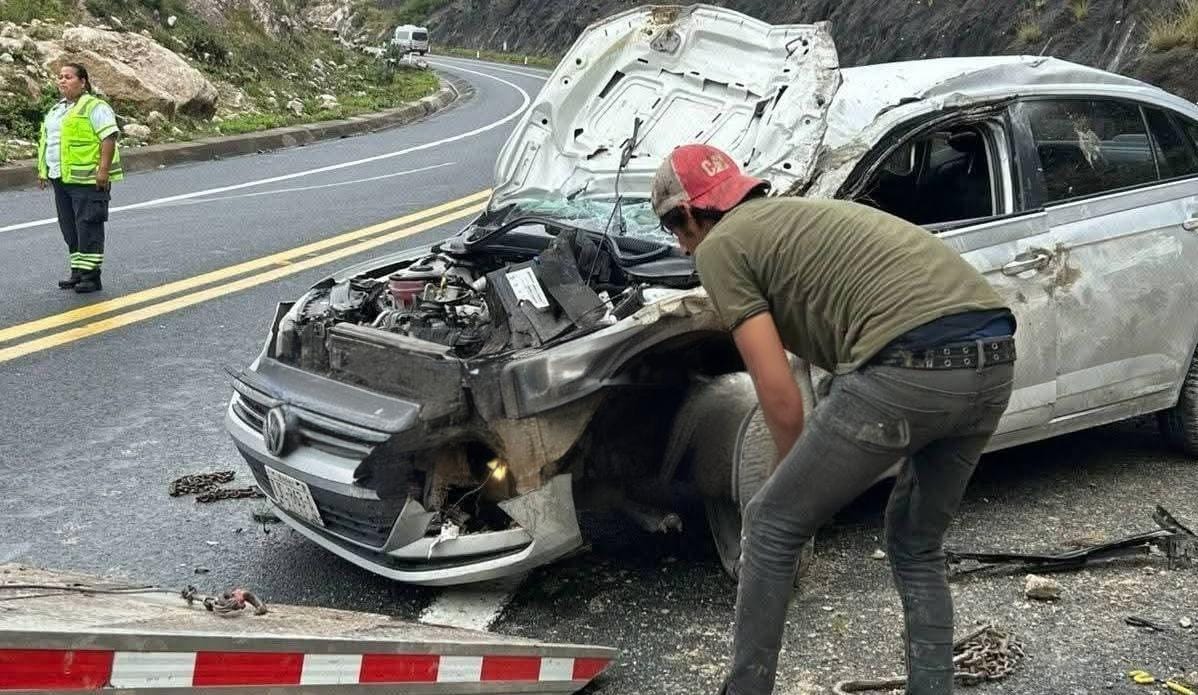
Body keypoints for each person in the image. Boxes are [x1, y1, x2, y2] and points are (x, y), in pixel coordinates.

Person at [651, 144, 1017, 695]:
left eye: (674, 229)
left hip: (907, 365)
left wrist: (788, 485)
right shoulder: (800, 219)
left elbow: (777, 395)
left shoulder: (721, 247)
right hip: (993, 360)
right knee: (914, 540)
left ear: (689, 215)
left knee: (772, 522)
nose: (679, 245)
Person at [37, 63, 122, 293]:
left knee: (88, 226)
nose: (62, 81)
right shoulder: (57, 109)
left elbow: (108, 138)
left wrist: (103, 171)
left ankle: (91, 276)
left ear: (82, 82)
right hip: (61, 178)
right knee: (70, 227)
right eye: (60, 77)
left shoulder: (95, 107)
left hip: (88, 180)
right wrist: (43, 170)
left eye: (68, 77)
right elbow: (50, 142)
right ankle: (77, 272)